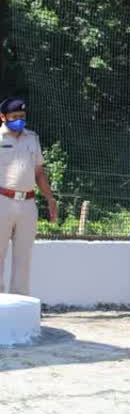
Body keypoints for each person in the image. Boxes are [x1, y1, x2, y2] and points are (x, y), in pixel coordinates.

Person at [0, 97, 58, 295]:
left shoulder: (32, 137)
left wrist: (50, 198)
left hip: (27, 203)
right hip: (2, 200)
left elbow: (39, 172)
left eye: (22, 116)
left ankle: (20, 305)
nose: (19, 120)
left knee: (23, 258)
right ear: (3, 117)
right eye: (14, 117)